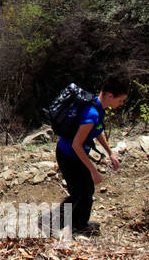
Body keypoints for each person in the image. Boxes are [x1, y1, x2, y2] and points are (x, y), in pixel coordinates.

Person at [55, 75, 129, 238]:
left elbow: (97, 131)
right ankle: (65, 225)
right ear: (110, 96)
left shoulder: (97, 107)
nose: (121, 104)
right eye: (120, 100)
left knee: (84, 190)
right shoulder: (92, 113)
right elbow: (76, 144)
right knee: (81, 192)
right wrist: (93, 170)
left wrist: (110, 152)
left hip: (73, 154)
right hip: (68, 155)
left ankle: (77, 224)